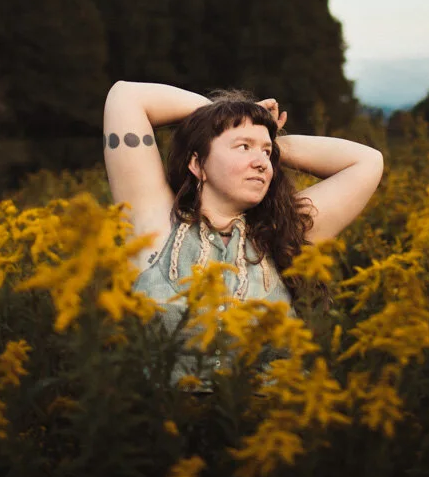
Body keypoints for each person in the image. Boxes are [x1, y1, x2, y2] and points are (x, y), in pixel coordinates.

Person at [101, 81, 383, 378]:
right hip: (169, 420)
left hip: (272, 418)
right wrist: (226, 115)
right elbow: (126, 96)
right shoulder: (155, 225)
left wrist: (266, 138)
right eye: (243, 147)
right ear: (198, 164)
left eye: (266, 153)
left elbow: (367, 161)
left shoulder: (281, 234)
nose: (262, 163)